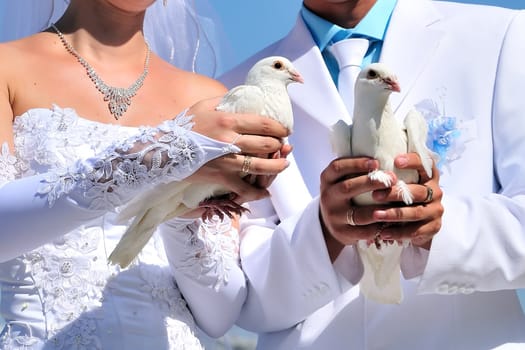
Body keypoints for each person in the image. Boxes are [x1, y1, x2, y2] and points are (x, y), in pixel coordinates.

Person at [217, 0, 525, 348]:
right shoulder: (232, 93)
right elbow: (242, 299)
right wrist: (322, 232)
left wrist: (439, 228)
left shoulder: (502, 36)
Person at [0, 0, 291, 349]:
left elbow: (220, 315)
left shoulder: (212, 101)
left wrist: (179, 212)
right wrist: (163, 153)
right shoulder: (8, 67)